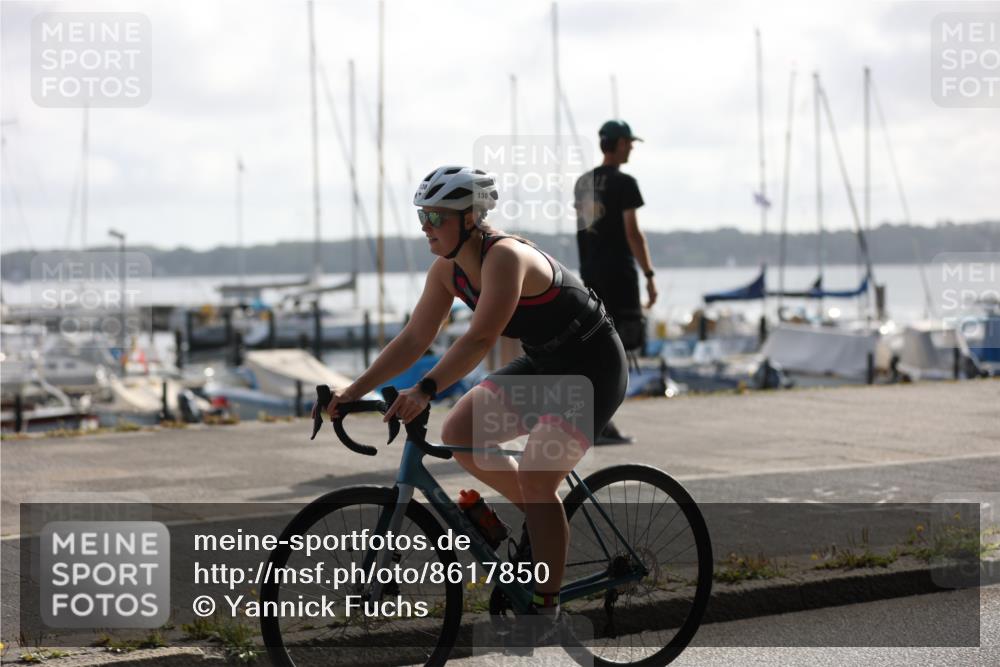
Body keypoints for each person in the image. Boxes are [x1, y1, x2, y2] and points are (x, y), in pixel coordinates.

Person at [317, 165, 628, 643]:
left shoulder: (505, 257)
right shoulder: (446, 270)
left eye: (435, 217)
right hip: (546, 364)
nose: (425, 226)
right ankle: (546, 520)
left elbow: (480, 337)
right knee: (459, 432)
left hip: (593, 368)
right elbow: (416, 336)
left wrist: (424, 389)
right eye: (422, 215)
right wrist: (351, 391)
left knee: (537, 477)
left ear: (469, 219)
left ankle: (547, 608)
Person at [574, 120, 658, 444]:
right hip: (621, 277)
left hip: (591, 277)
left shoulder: (584, 182)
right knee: (619, 351)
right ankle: (600, 423)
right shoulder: (626, 183)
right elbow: (633, 233)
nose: (632, 148)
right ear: (618, 143)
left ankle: (592, 420)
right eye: (629, 143)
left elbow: (585, 233)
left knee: (597, 349)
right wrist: (649, 275)